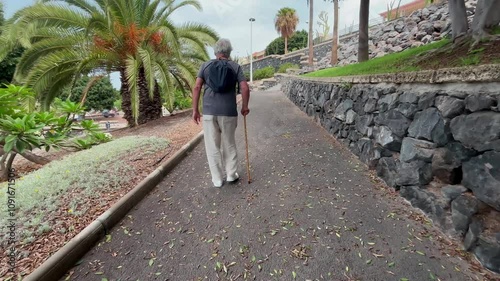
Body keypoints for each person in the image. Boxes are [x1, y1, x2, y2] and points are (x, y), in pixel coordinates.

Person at [192, 38, 250, 188]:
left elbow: (197, 87)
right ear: (229, 52)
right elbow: (244, 87)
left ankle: (217, 179)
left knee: (212, 145)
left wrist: (195, 110)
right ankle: (231, 174)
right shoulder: (235, 66)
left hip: (209, 112)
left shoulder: (205, 66)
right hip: (228, 112)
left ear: (215, 51)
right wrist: (245, 106)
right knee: (229, 142)